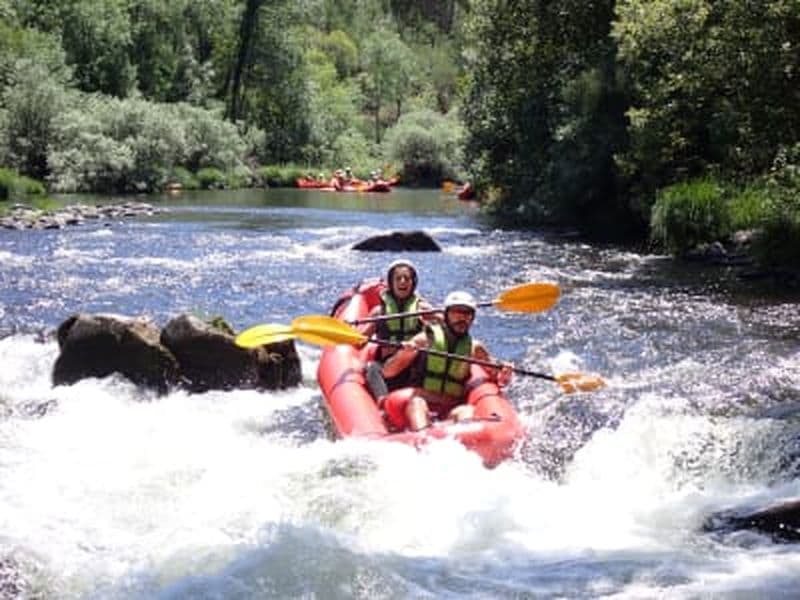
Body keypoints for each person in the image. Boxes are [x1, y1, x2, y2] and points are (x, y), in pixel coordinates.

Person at [380, 291, 513, 431]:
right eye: (457, 312)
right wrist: (404, 354)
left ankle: (463, 441)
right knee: (417, 403)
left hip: (450, 407)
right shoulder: (424, 340)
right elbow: (387, 372)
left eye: (467, 313)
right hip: (422, 401)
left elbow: (497, 377)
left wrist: (504, 373)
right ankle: (423, 437)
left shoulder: (475, 348)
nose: (462, 318)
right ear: (446, 315)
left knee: (466, 411)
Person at [362, 259, 434, 398]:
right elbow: (360, 342)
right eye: (398, 278)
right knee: (372, 369)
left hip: (415, 368)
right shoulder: (379, 312)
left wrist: (437, 319)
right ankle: (382, 401)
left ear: (413, 282)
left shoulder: (423, 309)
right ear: (391, 283)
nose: (402, 282)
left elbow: (446, 327)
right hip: (387, 367)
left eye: (407, 278)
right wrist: (350, 332)